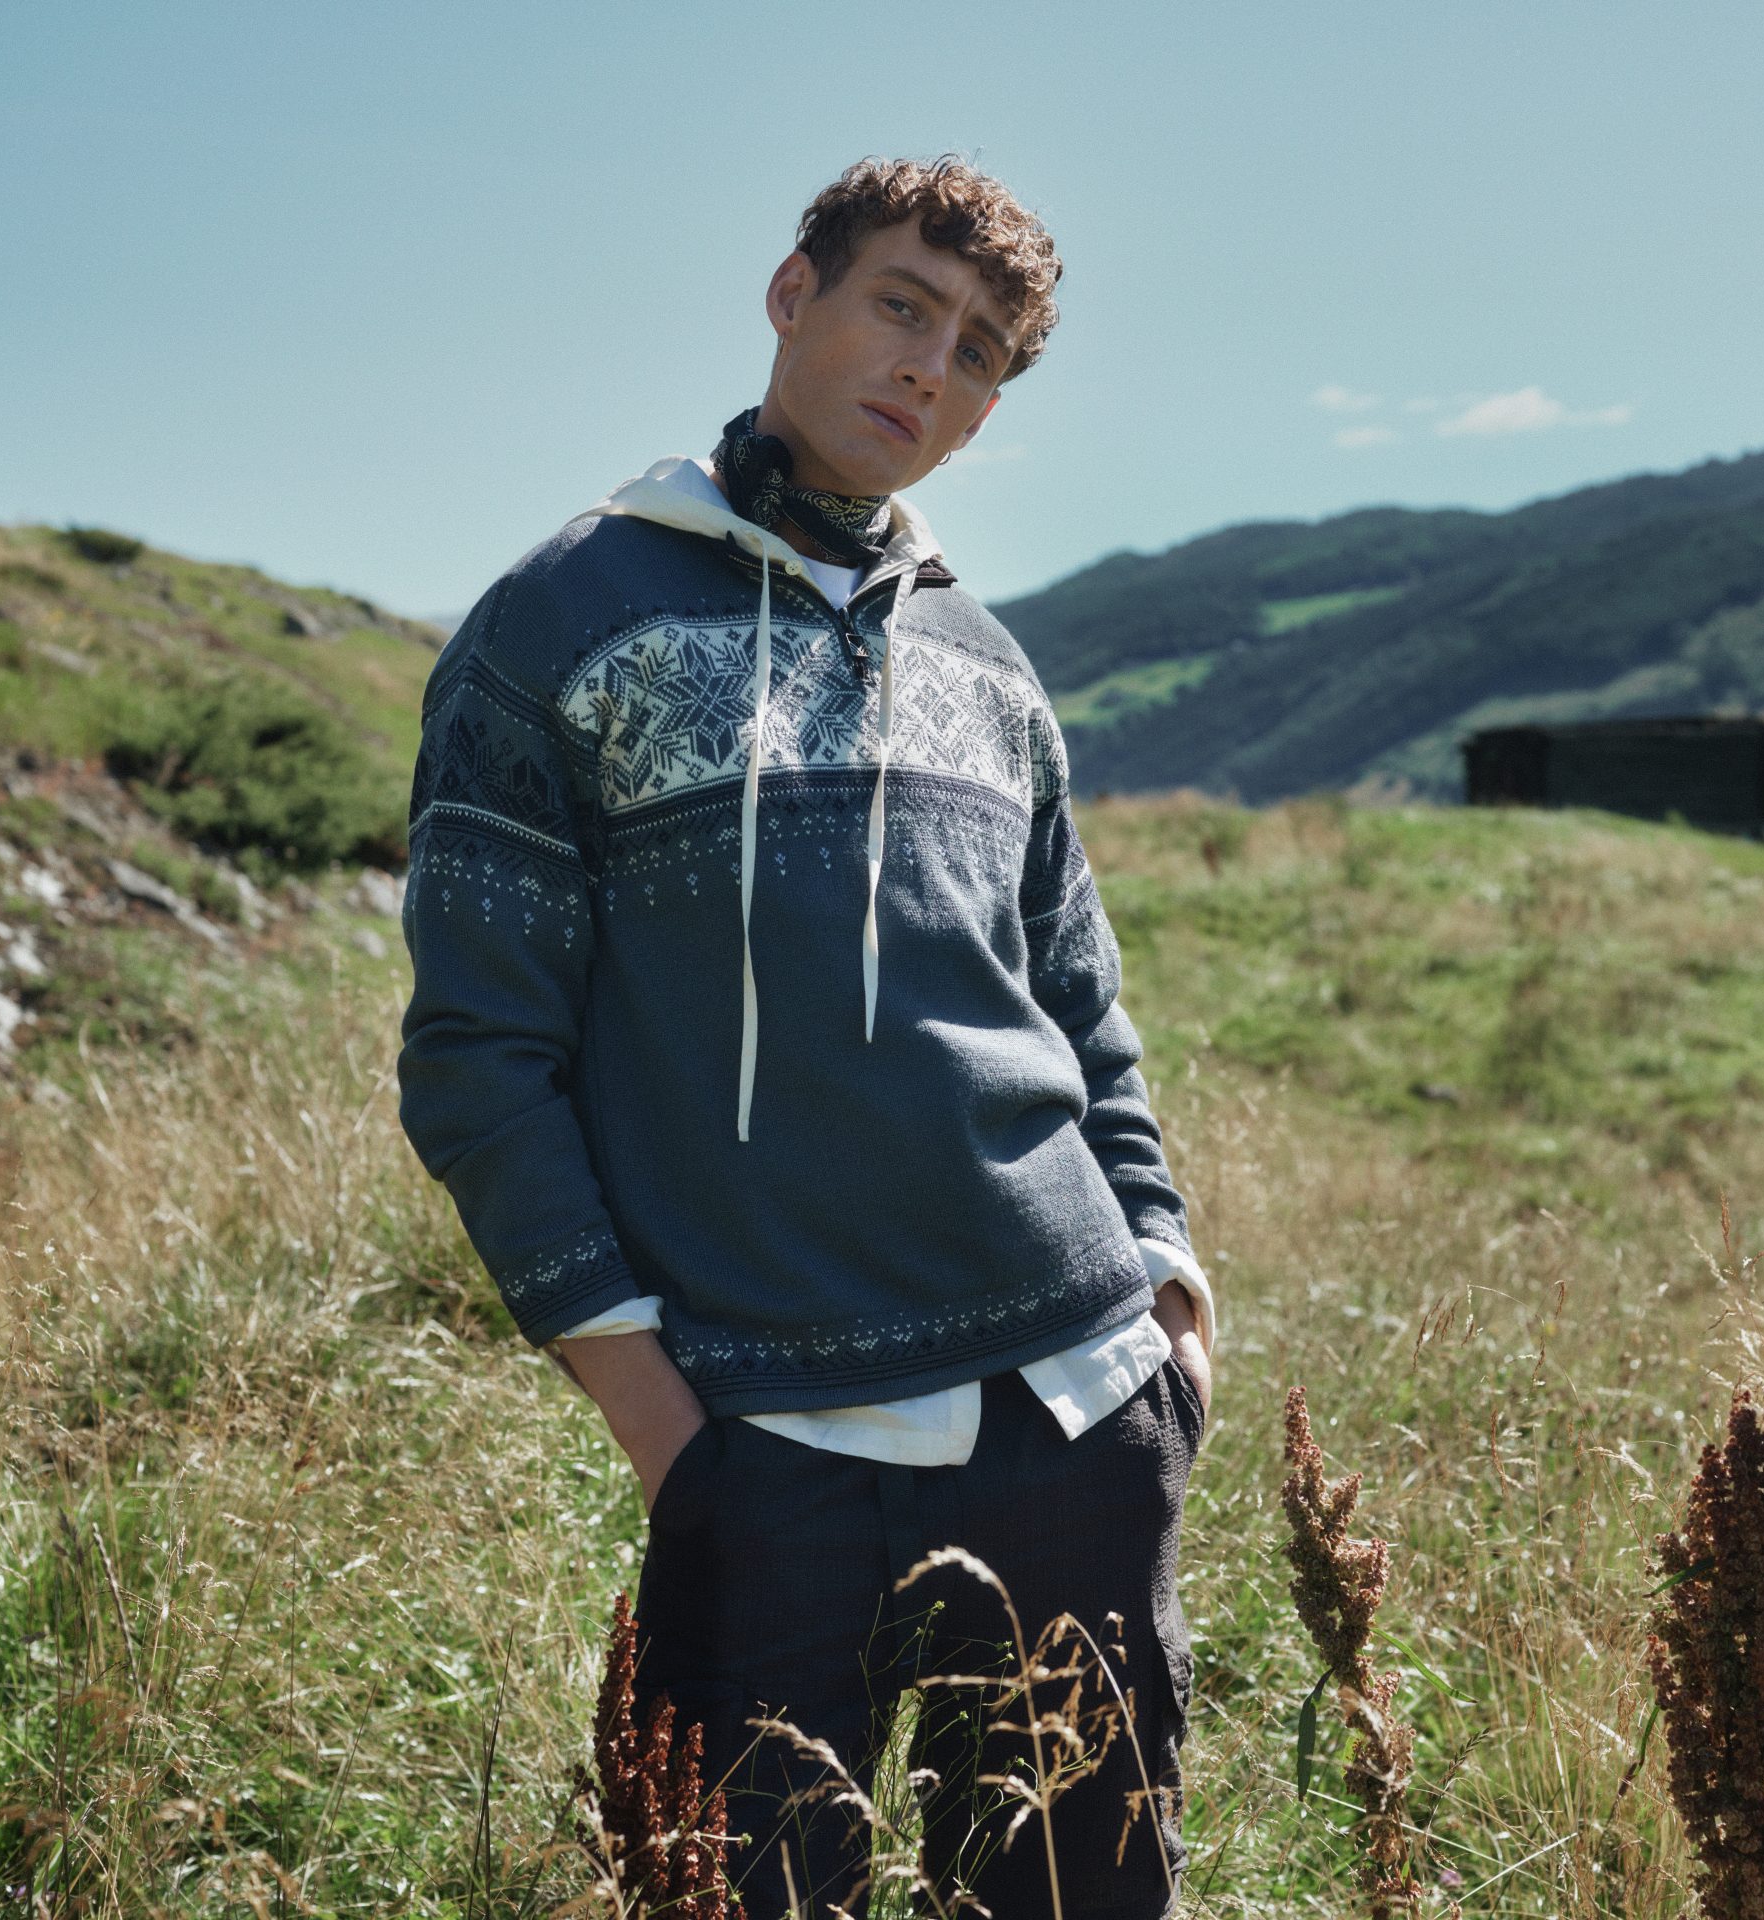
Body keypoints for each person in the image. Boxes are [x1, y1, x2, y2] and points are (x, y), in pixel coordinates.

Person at [396, 155, 1215, 1920]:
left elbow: (1078, 1000)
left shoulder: (989, 663)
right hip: (769, 1445)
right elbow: (477, 1055)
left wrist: (1165, 1288)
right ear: (794, 295)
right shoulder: (563, 624)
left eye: (983, 354)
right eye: (903, 306)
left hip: (1078, 1410)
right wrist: (670, 1435)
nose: (934, 368)